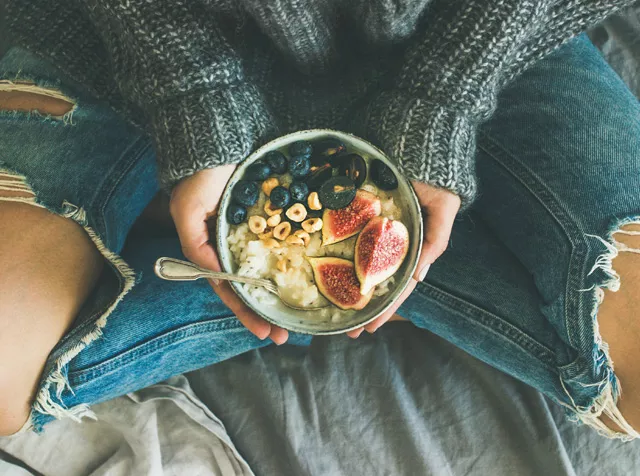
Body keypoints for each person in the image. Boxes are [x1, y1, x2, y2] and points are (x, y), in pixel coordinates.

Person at [1, 0, 639, 440]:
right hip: (125, 39)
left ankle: (339, 286)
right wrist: (188, 90)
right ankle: (311, 287)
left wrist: (447, 89)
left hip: (480, 34)